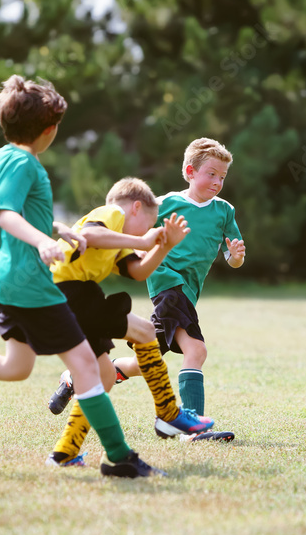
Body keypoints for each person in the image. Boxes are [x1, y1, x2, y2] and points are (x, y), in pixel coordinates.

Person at [0, 74, 164, 478]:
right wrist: (42, 242)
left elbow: (16, 208)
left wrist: (59, 229)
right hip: (31, 282)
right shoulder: (23, 161)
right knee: (89, 368)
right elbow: (5, 214)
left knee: (16, 365)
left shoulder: (6, 158)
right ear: (49, 129)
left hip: (7, 279)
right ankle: (120, 456)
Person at [44, 177, 226, 468]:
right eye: (148, 224)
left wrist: (164, 245)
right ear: (136, 208)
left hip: (69, 296)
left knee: (104, 377)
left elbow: (139, 272)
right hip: (66, 292)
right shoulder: (112, 213)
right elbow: (91, 236)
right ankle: (167, 414)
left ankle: (63, 453)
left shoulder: (119, 240)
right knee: (143, 331)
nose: (147, 231)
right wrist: (142, 240)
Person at [113, 137, 245, 424]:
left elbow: (234, 260)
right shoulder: (166, 204)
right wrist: (137, 249)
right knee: (196, 350)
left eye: (222, 176)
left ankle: (100, 373)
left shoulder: (225, 211)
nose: (217, 181)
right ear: (190, 172)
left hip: (189, 290)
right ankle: (191, 423)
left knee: (147, 360)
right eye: (211, 173)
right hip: (167, 283)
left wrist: (235, 256)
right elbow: (135, 229)